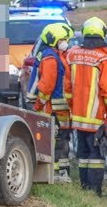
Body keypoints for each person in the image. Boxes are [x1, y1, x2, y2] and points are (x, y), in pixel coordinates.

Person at [64, 17, 107, 195]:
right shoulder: (103, 58)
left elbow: (67, 88)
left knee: (83, 154)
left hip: (78, 117)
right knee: (96, 155)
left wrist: (74, 108)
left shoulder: (72, 55)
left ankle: (84, 187)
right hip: (97, 117)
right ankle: (95, 191)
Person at [28, 22, 74, 181]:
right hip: (54, 108)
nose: (66, 42)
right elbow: (46, 86)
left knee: (62, 139)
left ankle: (62, 171)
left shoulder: (55, 56)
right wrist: (39, 104)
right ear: (56, 40)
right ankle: (54, 173)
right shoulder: (51, 58)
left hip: (60, 109)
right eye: (64, 39)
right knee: (57, 140)